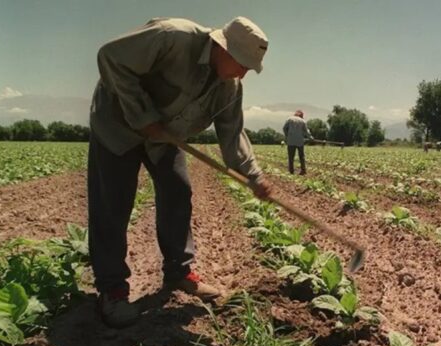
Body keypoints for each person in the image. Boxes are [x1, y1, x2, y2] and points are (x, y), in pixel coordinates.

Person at [89, 16, 272, 328]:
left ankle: (179, 271)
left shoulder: (229, 86)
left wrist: (254, 176)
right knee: (113, 205)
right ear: (221, 48)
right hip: (117, 128)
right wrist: (142, 114)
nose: (243, 72)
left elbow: (232, 133)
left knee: (177, 191)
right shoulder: (172, 37)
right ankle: (113, 290)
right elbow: (110, 57)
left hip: (164, 138)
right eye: (240, 63)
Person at [283, 110, 313, 174]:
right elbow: (306, 131)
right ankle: (303, 170)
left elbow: (284, 128)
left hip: (291, 141)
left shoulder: (289, 119)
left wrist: (287, 136)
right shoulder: (303, 121)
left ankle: (291, 171)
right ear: (301, 116)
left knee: (291, 157)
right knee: (301, 156)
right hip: (300, 141)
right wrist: (310, 138)